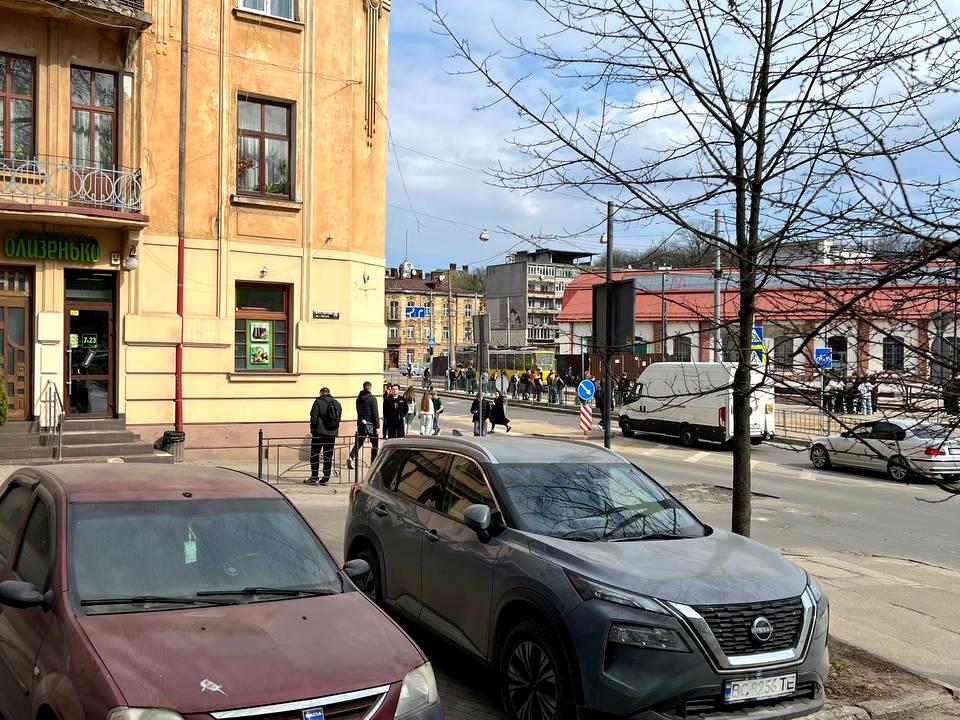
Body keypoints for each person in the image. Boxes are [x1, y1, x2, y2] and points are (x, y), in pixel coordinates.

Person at [307, 387, 341, 485]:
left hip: (319, 433)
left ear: (321, 393)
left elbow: (313, 417)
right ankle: (326, 478)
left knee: (315, 454)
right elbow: (338, 419)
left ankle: (314, 477)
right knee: (328, 456)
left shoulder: (318, 402)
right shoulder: (337, 403)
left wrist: (313, 429)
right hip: (332, 434)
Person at [347, 381, 379, 471]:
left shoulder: (359, 398)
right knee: (375, 443)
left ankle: (351, 457)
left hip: (361, 423)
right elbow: (375, 413)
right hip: (370, 424)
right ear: (370, 388)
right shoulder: (372, 398)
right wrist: (377, 426)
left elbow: (358, 411)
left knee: (359, 442)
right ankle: (373, 463)